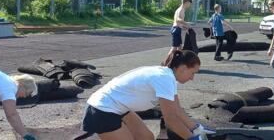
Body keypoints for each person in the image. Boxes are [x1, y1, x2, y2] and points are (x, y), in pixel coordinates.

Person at [82, 50, 214, 140]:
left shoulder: (169, 77)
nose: (192, 78)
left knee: (146, 137)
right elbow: (170, 119)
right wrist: (192, 138)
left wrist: (196, 128)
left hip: (119, 108)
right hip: (101, 110)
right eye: (193, 73)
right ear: (183, 68)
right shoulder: (164, 78)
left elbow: (177, 110)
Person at [0, 62, 38, 140]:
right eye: (27, 92)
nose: (25, 96)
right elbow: (11, 114)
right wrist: (25, 134)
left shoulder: (5, 82)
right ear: (21, 84)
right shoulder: (10, 87)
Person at [164, 0, 193, 65]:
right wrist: (187, 24)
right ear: (186, 2)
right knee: (174, 48)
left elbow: (178, 23)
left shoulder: (179, 9)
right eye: (189, 3)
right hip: (176, 30)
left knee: (179, 48)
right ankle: (164, 64)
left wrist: (186, 28)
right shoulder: (181, 10)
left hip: (177, 29)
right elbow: (178, 20)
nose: (190, 5)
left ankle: (176, 62)